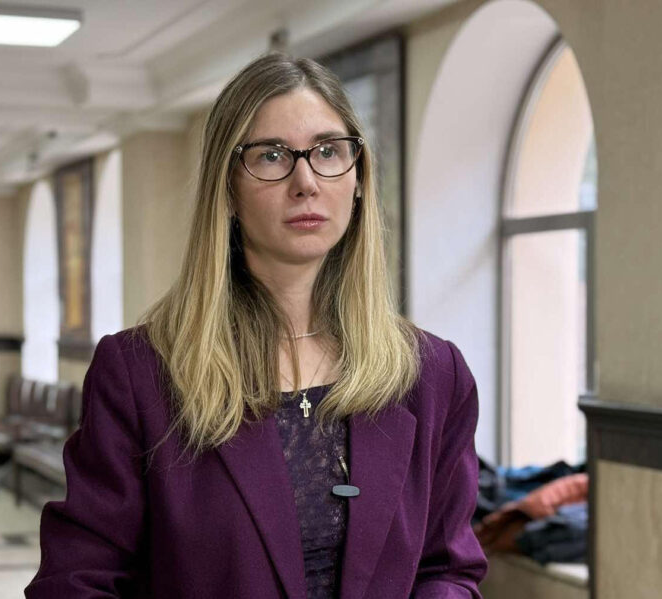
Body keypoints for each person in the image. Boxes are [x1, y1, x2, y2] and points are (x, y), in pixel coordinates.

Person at [26, 53, 486, 598]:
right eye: (271, 156)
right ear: (227, 189)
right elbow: (76, 581)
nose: (305, 181)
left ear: (359, 177)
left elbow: (447, 569)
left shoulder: (432, 374)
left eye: (328, 151)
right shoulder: (141, 374)